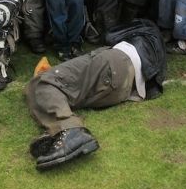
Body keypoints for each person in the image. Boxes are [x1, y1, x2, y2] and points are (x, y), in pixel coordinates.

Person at [26, 19, 166, 171]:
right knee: (67, 91)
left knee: (42, 81)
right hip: (121, 90)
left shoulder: (146, 26)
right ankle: (56, 131)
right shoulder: (158, 54)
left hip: (116, 62)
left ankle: (70, 130)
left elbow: (110, 36)